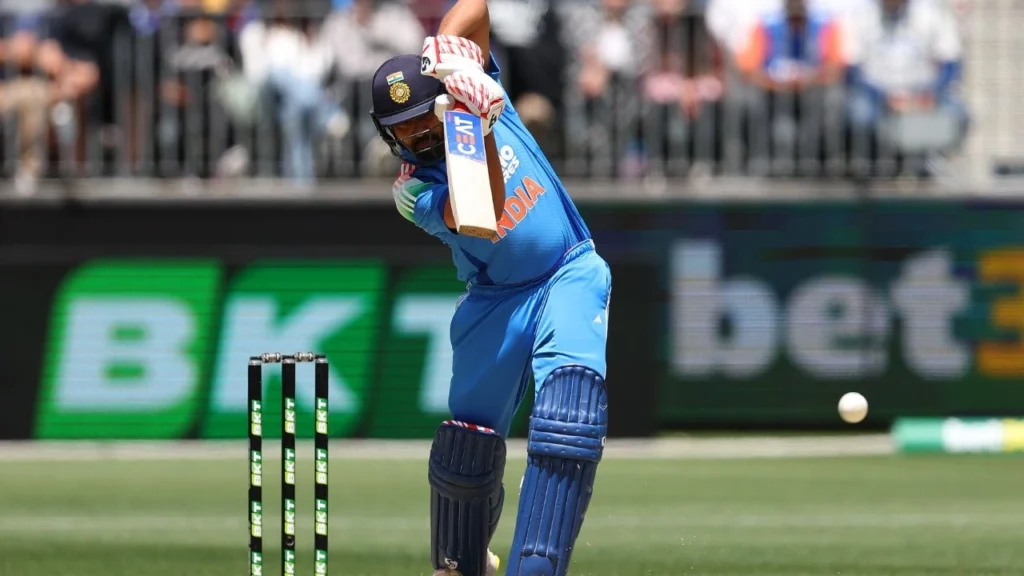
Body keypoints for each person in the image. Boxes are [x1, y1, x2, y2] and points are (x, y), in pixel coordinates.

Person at [367, 1, 612, 575]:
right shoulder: (413, 192)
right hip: (495, 303)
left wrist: (446, 54)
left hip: (567, 271)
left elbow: (475, 7)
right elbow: (483, 213)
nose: (418, 136)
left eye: (424, 119)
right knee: (465, 449)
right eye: (403, 130)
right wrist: (476, 122)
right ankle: (459, 561)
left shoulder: (472, 88)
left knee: (569, 415)